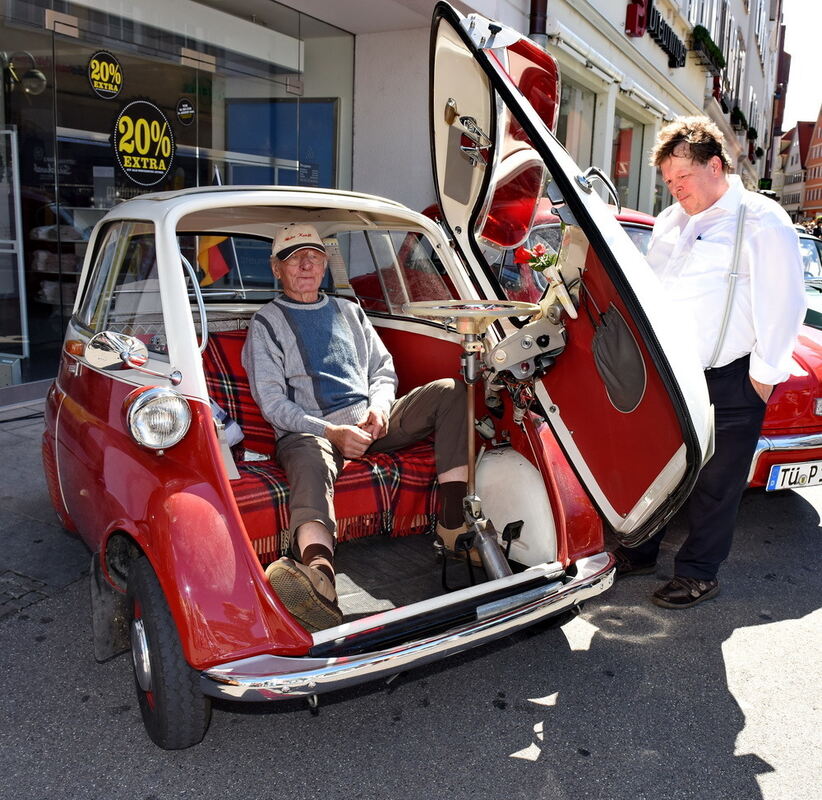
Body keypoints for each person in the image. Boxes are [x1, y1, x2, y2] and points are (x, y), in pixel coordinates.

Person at [614, 116, 805, 609]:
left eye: (682, 179)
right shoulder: (673, 220)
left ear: (715, 166)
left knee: (716, 485)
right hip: (670, 376)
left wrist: (758, 383)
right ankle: (641, 549)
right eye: (669, 182)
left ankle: (699, 572)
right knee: (659, 469)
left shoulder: (762, 221)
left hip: (731, 378)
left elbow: (786, 306)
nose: (675, 190)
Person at [242, 223, 471, 631]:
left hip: (372, 421)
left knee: (452, 390)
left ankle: (453, 526)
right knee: (309, 458)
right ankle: (320, 578)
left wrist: (380, 410)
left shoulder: (349, 310)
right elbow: (273, 404)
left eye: (314, 254)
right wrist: (332, 433)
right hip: (311, 432)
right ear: (277, 270)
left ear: (326, 262)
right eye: (294, 258)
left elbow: (382, 370)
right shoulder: (266, 323)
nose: (307, 263)